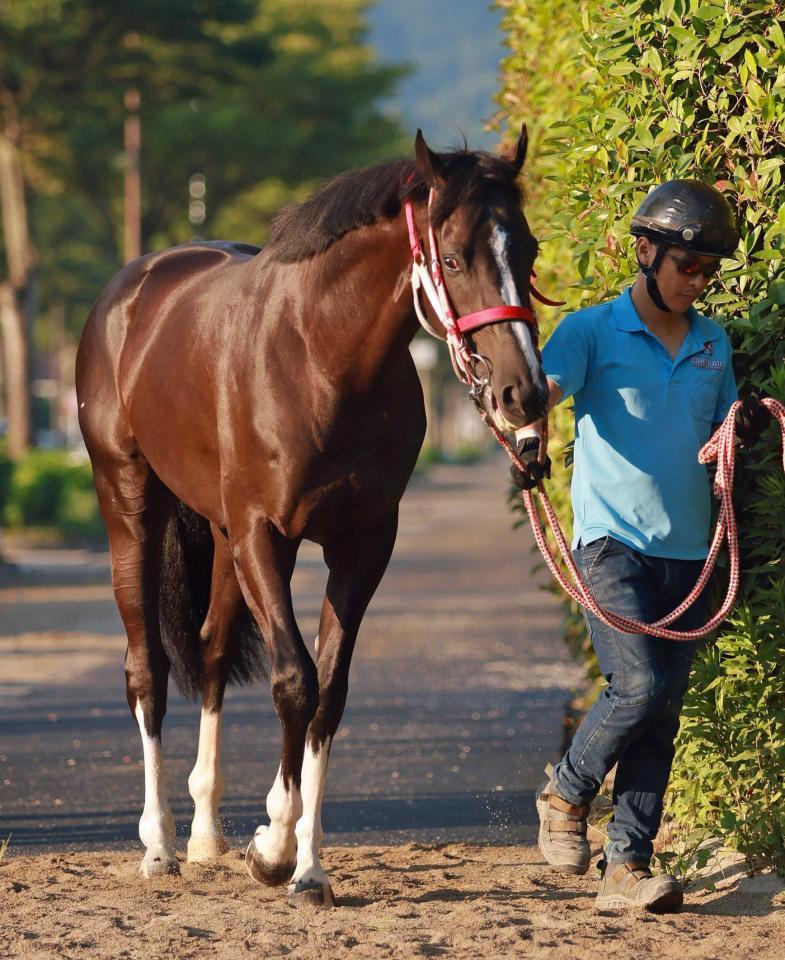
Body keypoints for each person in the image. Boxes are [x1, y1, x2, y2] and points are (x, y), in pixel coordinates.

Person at [512, 180, 771, 912]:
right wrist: (528, 440)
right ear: (644, 251)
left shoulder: (713, 342)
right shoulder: (591, 331)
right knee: (638, 687)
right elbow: (541, 395)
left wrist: (740, 425)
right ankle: (564, 793)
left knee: (661, 716)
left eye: (707, 271)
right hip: (611, 546)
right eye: (685, 265)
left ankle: (624, 868)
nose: (696, 281)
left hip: (690, 554)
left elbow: (717, 430)